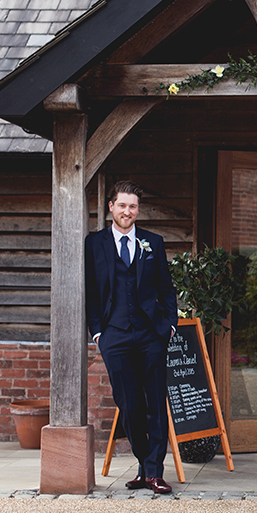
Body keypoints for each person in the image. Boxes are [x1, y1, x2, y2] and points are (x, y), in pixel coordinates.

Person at [86, 180, 178, 494]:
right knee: (129, 404)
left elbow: (166, 288)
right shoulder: (94, 243)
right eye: (122, 205)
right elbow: (92, 291)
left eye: (133, 206)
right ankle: (143, 460)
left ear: (138, 210)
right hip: (114, 334)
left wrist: (169, 326)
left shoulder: (153, 241)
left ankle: (153, 471)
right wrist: (98, 332)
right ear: (111, 207)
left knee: (155, 401)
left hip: (152, 333)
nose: (128, 211)